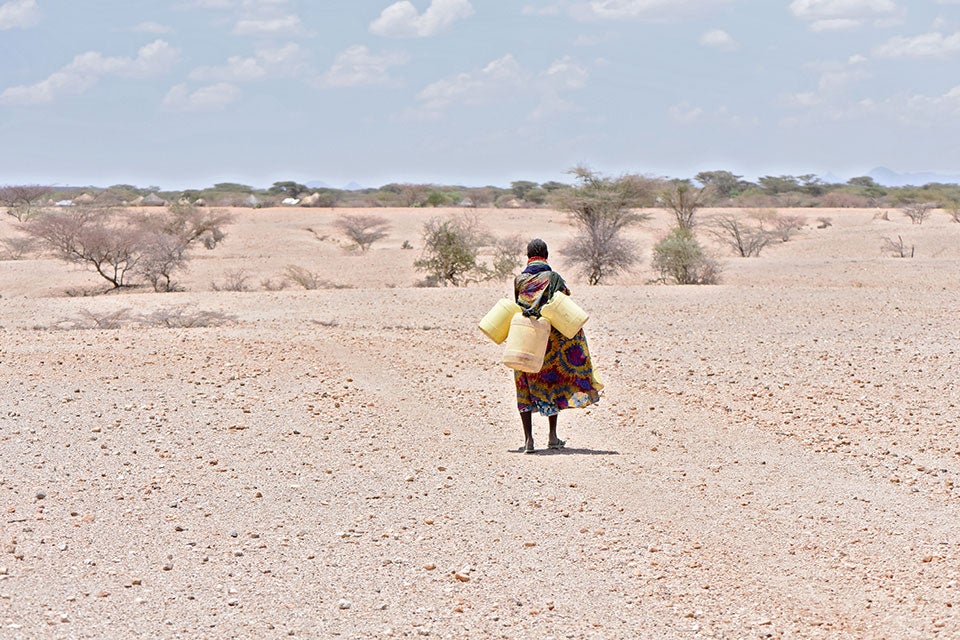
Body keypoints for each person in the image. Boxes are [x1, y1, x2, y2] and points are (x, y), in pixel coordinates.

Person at [513, 238, 601, 453]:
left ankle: (528, 440)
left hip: (526, 337)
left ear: (528, 256)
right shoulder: (553, 278)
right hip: (549, 340)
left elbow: (520, 304)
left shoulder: (519, 280)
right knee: (550, 382)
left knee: (524, 383)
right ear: (546, 255)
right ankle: (552, 436)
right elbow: (563, 300)